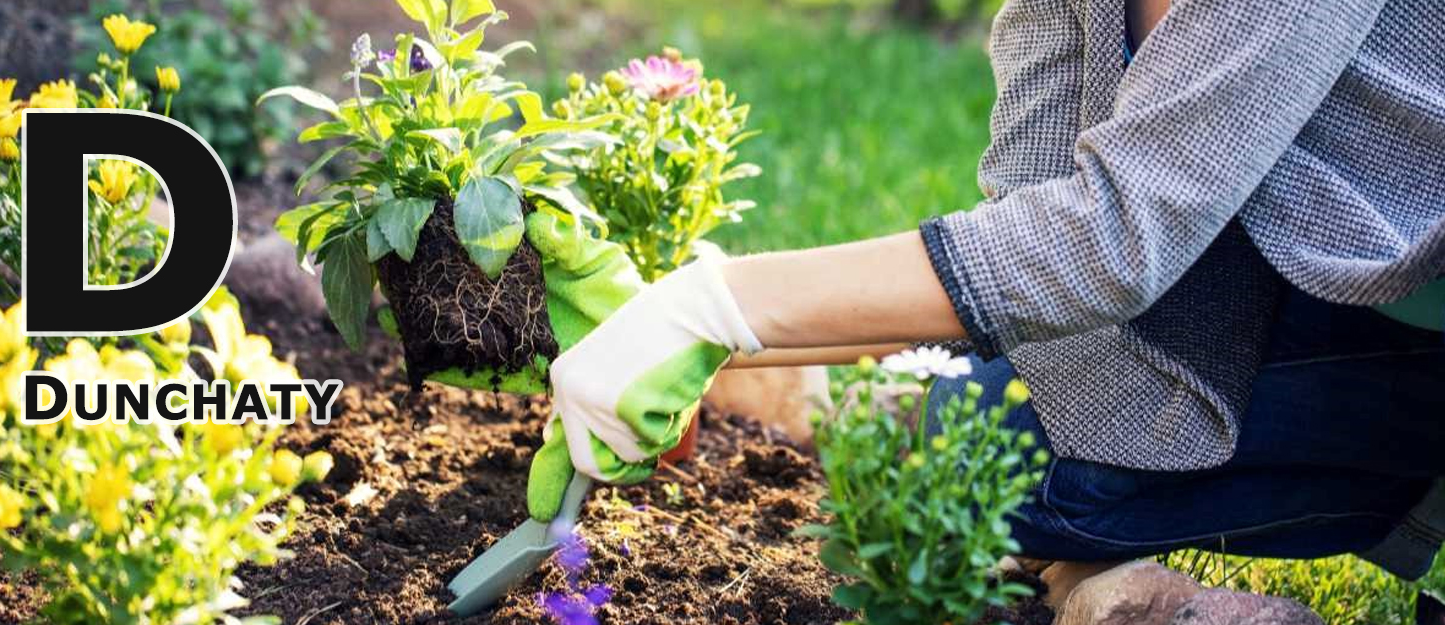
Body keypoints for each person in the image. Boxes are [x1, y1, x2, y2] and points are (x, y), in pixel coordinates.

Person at [538, 0, 1445, 602]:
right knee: (965, 455)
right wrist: (680, 332)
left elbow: (1111, 240)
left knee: (1011, 474)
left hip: (1413, 315)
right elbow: (1029, 231)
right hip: (1276, 289)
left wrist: (717, 303)